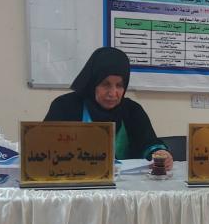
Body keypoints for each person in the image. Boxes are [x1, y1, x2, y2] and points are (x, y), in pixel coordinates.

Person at [44, 46, 173, 168]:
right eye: (105, 84)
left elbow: (149, 143)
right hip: (75, 179)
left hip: (125, 182)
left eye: (119, 85)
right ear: (92, 82)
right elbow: (44, 147)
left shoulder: (132, 110)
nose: (112, 93)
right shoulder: (65, 106)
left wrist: (161, 154)